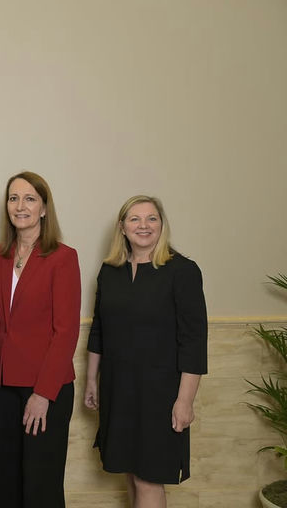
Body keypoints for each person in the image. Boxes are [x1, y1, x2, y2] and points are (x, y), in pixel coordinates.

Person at [84, 195, 207, 507]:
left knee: (148, 478)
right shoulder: (110, 271)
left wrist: (185, 401)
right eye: (135, 219)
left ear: (161, 225)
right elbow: (99, 329)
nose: (143, 225)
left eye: (151, 218)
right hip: (118, 389)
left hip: (160, 395)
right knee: (129, 472)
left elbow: (194, 342)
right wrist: (91, 380)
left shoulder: (182, 271)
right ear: (122, 228)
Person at [0, 172, 81, 508]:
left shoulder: (63, 258)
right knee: (5, 481)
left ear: (44, 209)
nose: (20, 206)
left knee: (41, 485)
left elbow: (66, 332)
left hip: (44, 389)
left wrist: (43, 394)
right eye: (13, 198)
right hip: (2, 386)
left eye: (29, 198)